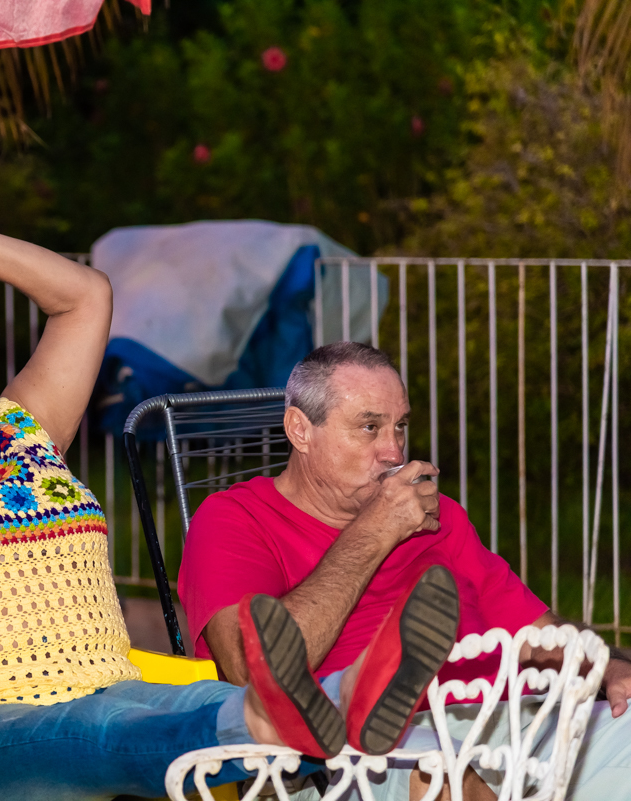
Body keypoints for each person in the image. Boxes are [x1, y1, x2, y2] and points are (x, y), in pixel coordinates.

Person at [0, 86, 465, 800]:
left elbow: (88, 295)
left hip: (114, 694)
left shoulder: (25, 431)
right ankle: (301, 713)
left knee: (156, 708)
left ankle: (315, 706)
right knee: (104, 725)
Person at [178, 341, 631, 799]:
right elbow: (248, 672)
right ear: (300, 430)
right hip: (348, 755)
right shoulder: (234, 520)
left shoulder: (438, 516)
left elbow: (537, 633)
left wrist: (608, 665)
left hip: (505, 718)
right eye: (369, 427)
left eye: (400, 427)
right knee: (442, 772)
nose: (394, 452)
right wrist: (373, 532)